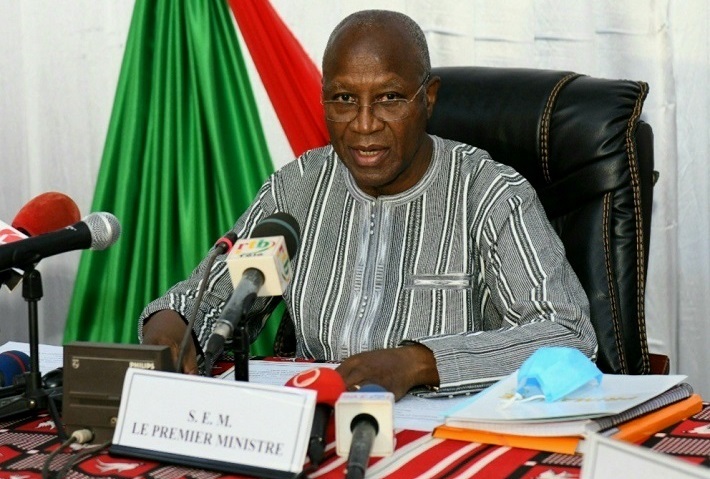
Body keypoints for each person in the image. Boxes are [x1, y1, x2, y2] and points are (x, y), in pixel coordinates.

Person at [140, 9, 597, 401]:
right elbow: (212, 298)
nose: (363, 124)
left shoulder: (488, 192)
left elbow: (569, 335)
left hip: (445, 429)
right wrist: (171, 327)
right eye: (343, 99)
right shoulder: (298, 187)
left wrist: (420, 363)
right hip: (314, 423)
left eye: (389, 98)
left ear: (428, 98)